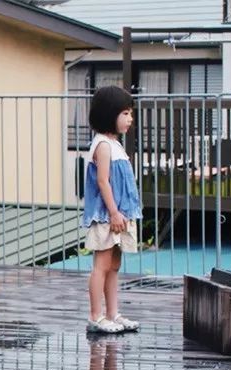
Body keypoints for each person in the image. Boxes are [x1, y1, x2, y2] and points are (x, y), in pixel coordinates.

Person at [82, 86, 143, 334]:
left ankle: (112, 313)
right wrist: (114, 212)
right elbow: (103, 181)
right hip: (107, 215)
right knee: (102, 265)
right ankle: (96, 315)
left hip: (120, 214)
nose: (130, 119)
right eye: (125, 113)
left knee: (114, 265)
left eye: (131, 113)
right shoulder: (103, 145)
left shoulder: (114, 144)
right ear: (109, 114)